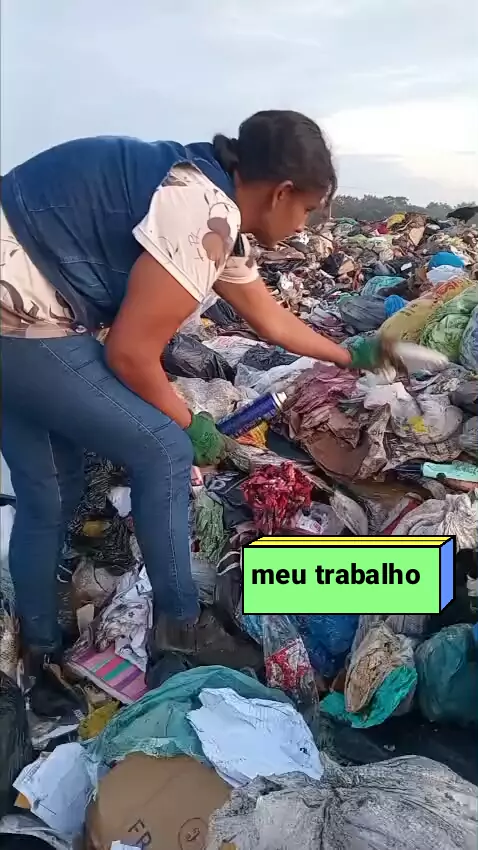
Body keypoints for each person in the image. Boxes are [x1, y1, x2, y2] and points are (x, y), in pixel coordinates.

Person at [1, 110, 386, 690]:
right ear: (281, 192)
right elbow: (130, 353)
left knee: (50, 491)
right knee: (165, 451)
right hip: (22, 312)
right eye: (307, 209)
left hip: (20, 306)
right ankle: (179, 632)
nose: (305, 224)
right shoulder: (204, 209)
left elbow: (271, 320)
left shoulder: (210, 203)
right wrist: (192, 425)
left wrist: (350, 355)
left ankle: (39, 654)